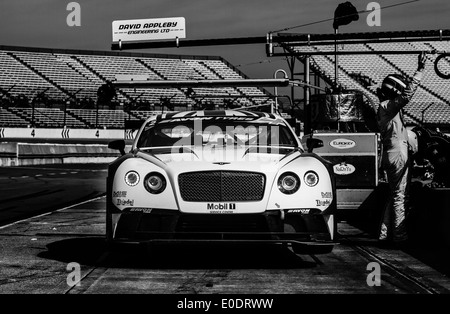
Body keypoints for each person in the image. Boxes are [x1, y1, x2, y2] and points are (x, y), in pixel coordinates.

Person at [376, 52, 427, 246]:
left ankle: (384, 233)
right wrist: (420, 71)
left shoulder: (383, 108)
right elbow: (407, 95)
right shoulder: (389, 106)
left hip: (390, 153)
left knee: (394, 195)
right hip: (398, 154)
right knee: (400, 197)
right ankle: (399, 237)